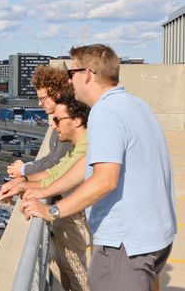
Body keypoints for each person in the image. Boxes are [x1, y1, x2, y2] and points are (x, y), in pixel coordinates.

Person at [21, 44, 176, 291]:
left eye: (72, 74)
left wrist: (52, 211)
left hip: (125, 244)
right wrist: (42, 191)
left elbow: (105, 180)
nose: (69, 83)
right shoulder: (136, 105)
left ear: (88, 74)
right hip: (155, 238)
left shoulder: (105, 112)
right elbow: (86, 164)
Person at [0, 93, 92, 291]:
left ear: (77, 120)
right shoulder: (77, 147)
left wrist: (25, 187)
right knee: (70, 272)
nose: (53, 125)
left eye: (57, 120)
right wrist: (22, 182)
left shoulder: (88, 148)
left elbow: (61, 179)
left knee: (80, 278)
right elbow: (55, 172)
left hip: (106, 234)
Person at [6, 65, 74, 181]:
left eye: (42, 98)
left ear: (57, 95)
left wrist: (23, 171)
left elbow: (56, 163)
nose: (39, 104)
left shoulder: (68, 122)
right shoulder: (59, 119)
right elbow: (51, 157)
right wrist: (25, 168)